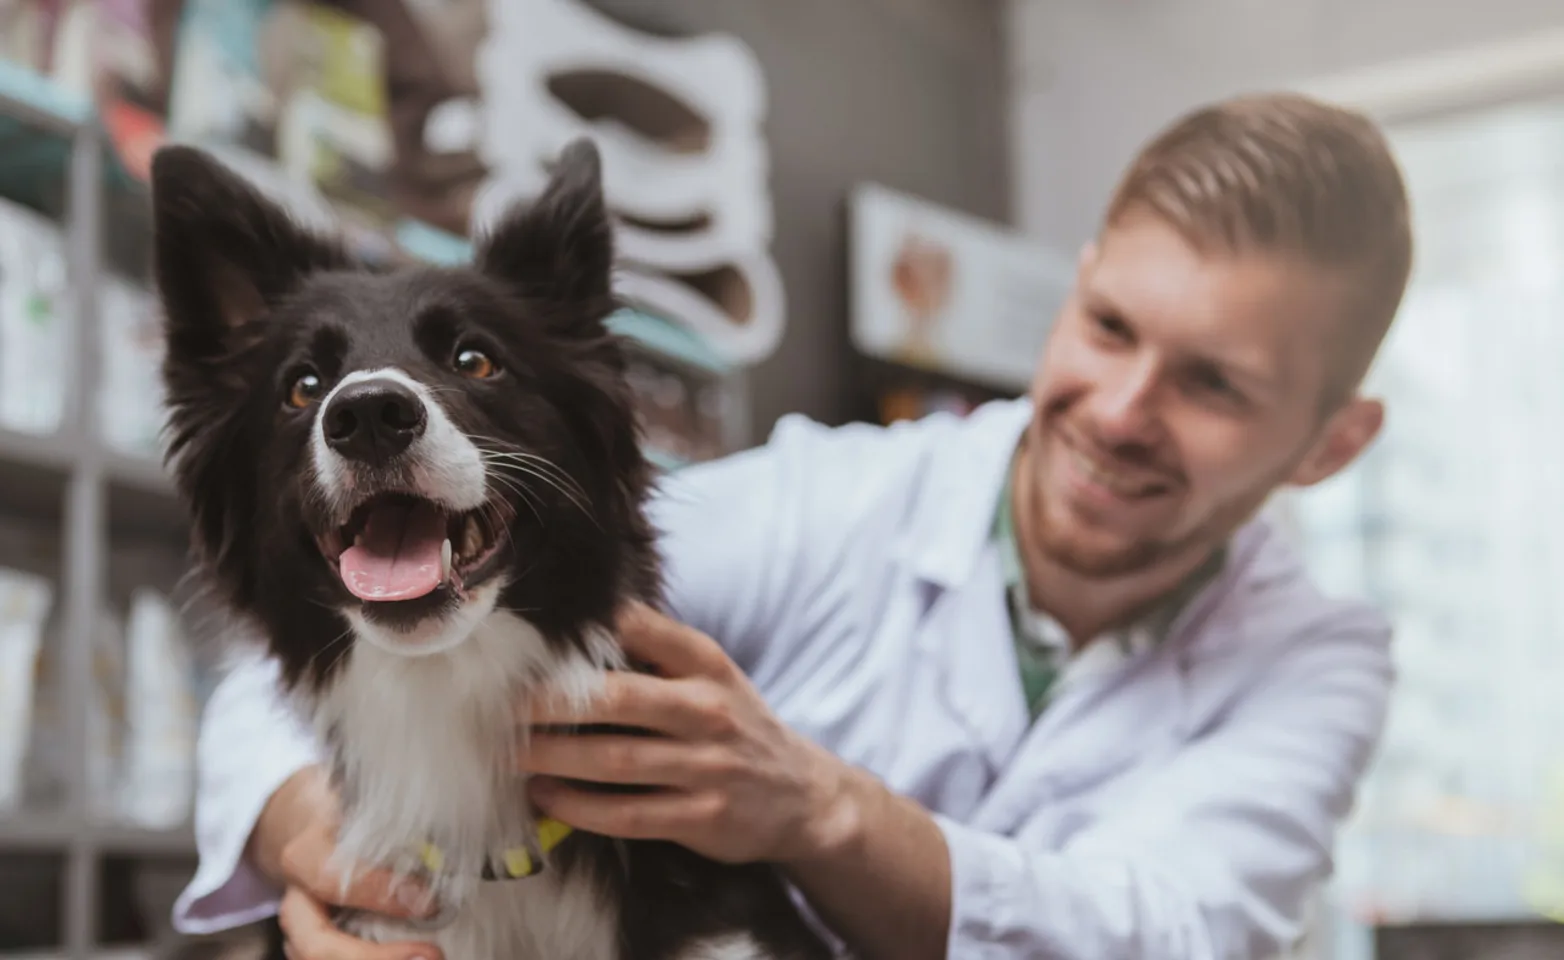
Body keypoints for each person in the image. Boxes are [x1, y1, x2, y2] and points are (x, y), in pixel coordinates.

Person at [171, 91, 1413, 960]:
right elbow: (307, 649)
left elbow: (1165, 938)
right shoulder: (828, 497)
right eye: (1108, 329)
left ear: (1330, 445)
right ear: (1077, 283)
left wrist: (816, 810)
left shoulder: (1317, 662)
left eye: (1213, 385)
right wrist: (304, 837)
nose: (1122, 410)